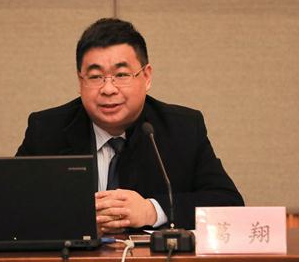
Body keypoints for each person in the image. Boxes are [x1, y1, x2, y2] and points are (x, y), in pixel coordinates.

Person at [16, 18, 243, 234]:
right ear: (80, 81)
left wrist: (152, 210)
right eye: (95, 77)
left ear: (146, 77)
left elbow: (229, 204)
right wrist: (78, 221)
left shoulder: (182, 129)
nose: (108, 89)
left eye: (121, 74)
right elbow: (12, 207)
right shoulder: (46, 130)